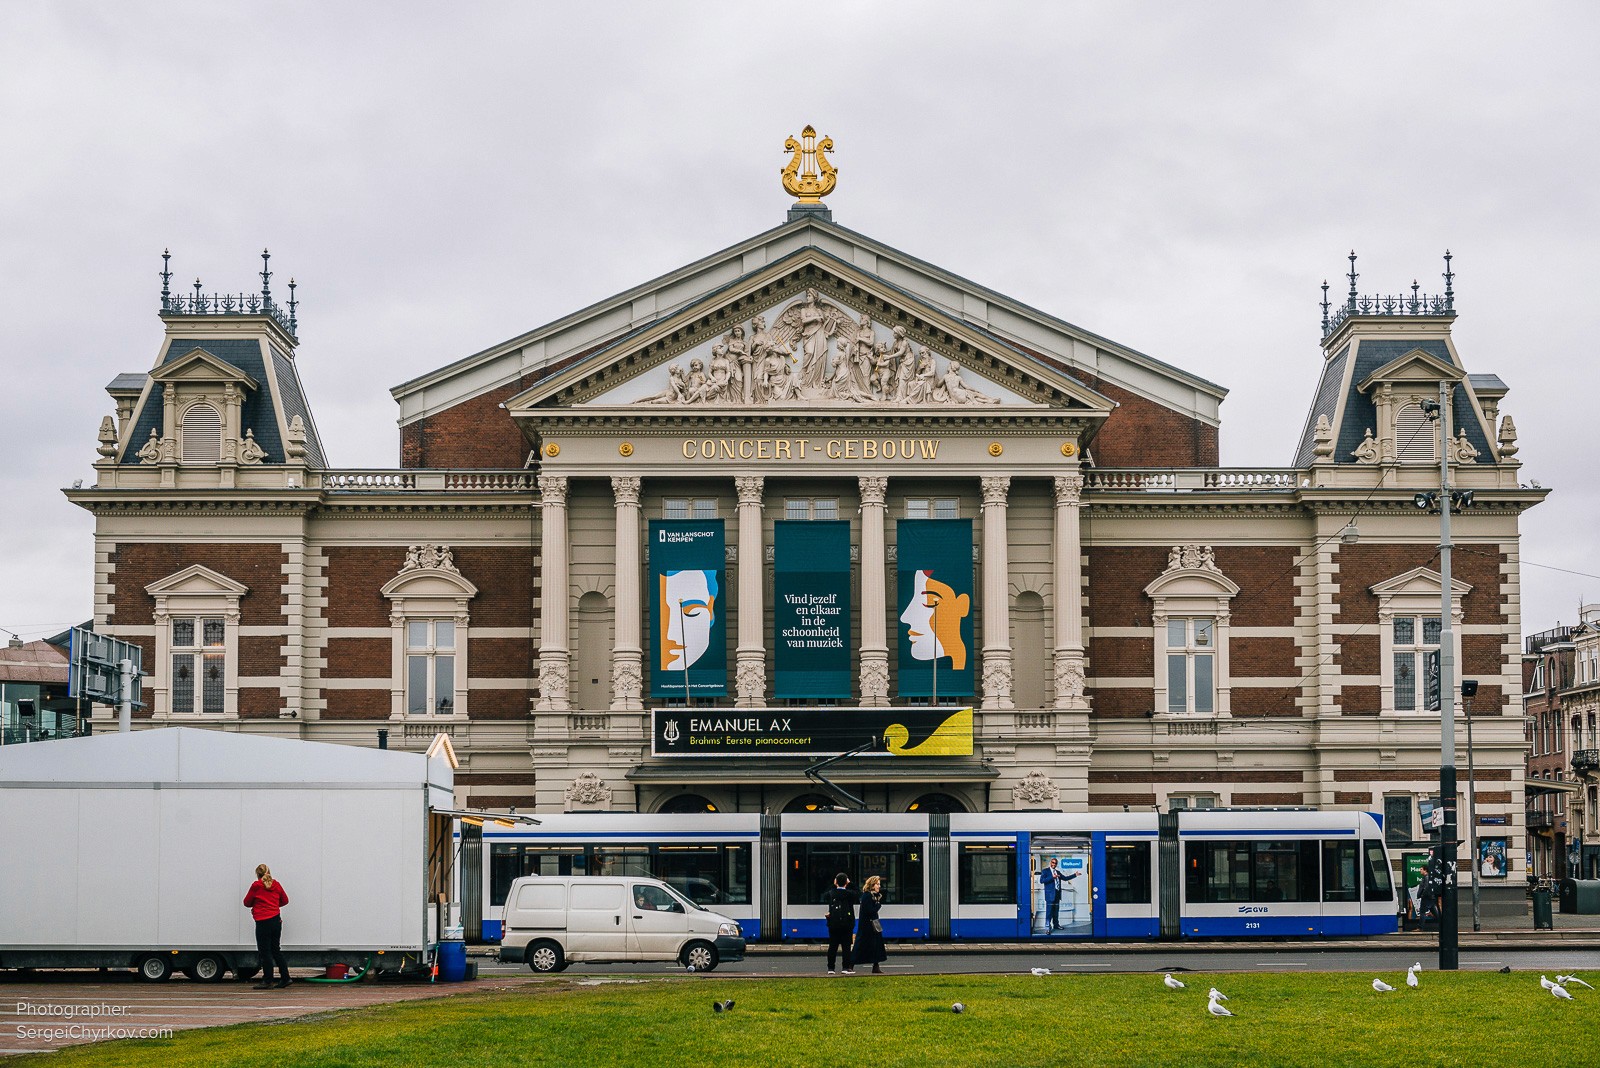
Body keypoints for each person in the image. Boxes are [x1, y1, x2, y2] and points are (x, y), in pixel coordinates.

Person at [242, 863, 290, 989]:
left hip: (263, 922)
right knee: (276, 950)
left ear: (257, 874)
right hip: (276, 921)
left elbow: (246, 902)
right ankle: (285, 978)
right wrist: (273, 905)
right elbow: (285, 900)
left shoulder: (256, 886)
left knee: (265, 952)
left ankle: (267, 980)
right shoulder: (277, 884)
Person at [821, 872, 858, 975]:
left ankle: (831, 968)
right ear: (846, 882)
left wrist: (834, 884)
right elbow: (857, 892)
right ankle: (845, 967)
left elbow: (824, 895)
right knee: (846, 947)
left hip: (833, 924)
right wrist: (850, 883)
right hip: (847, 924)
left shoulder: (831, 893)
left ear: (836, 882)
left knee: (832, 947)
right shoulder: (849, 894)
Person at [853, 875, 888, 974]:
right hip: (867, 927)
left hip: (872, 926)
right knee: (862, 946)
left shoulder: (871, 896)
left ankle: (876, 966)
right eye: (877, 884)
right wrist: (878, 905)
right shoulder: (867, 896)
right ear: (872, 885)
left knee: (875, 946)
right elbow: (870, 911)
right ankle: (851, 964)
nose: (879, 886)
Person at [1039, 858, 1062, 932]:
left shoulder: (1058, 872)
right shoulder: (1045, 871)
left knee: (1056, 911)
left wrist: (1075, 875)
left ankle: (1056, 925)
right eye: (1053, 862)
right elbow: (1042, 881)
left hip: (1057, 894)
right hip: (1049, 895)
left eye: (1055, 863)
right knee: (1049, 912)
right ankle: (1047, 928)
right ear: (1050, 862)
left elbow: (1065, 878)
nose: (1054, 864)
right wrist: (1052, 877)